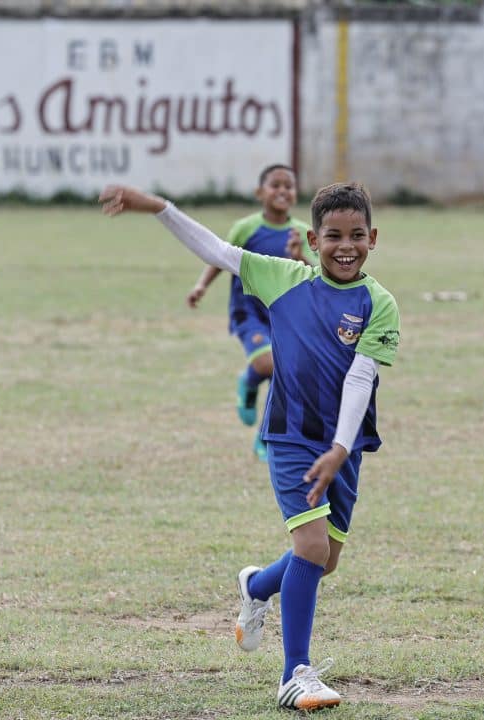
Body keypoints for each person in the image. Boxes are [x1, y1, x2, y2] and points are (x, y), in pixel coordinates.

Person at [100, 182, 400, 711]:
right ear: (312, 239)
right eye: (333, 236)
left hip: (343, 449)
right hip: (289, 437)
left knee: (325, 561)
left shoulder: (379, 303)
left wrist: (340, 447)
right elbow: (216, 250)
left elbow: (361, 378)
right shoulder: (282, 278)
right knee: (310, 549)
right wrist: (160, 207)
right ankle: (295, 674)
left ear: (373, 238)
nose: (345, 246)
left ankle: (258, 586)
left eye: (357, 235)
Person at [186, 165, 314, 462]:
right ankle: (249, 380)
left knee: (285, 374)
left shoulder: (301, 231)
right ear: (260, 193)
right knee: (269, 364)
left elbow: (313, 274)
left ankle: (265, 438)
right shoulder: (246, 228)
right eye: (275, 185)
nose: (283, 190)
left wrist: (298, 255)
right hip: (248, 311)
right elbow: (220, 257)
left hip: (284, 315)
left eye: (289, 185)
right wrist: (201, 286)